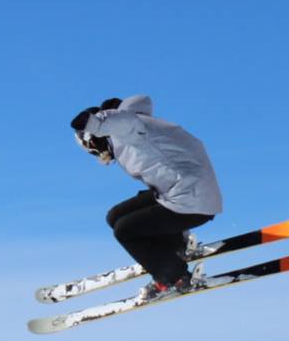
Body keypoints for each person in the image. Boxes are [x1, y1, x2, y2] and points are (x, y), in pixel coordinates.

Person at [69, 95, 223, 300]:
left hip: (191, 201)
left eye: (93, 149)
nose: (99, 155)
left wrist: (93, 123)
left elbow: (123, 121)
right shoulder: (136, 130)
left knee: (126, 231)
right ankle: (174, 248)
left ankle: (175, 277)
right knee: (115, 216)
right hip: (185, 193)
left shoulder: (130, 129)